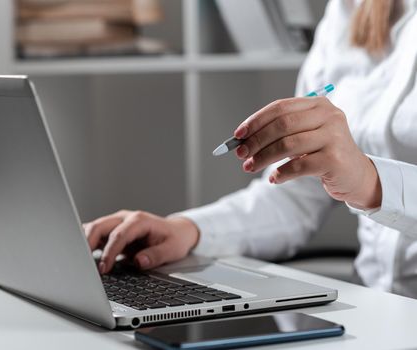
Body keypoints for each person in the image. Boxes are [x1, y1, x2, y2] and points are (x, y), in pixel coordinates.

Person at [84, 0, 417, 298]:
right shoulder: (351, 10)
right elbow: (298, 195)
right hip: (379, 308)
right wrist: (188, 230)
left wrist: (369, 183)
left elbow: (356, 179)